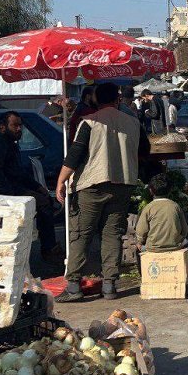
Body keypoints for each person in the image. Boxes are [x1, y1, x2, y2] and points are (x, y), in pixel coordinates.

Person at [55, 83, 145, 302]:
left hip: (91, 185)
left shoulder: (90, 122)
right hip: (123, 184)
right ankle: (109, 286)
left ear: (95, 99)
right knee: (112, 234)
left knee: (81, 234)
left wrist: (60, 182)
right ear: (117, 99)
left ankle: (74, 286)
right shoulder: (133, 122)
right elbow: (145, 151)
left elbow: (75, 155)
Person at [0, 111, 60, 262]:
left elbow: (19, 173)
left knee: (45, 198)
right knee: (43, 203)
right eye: (15, 125)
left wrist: (37, 186)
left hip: (13, 187)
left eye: (20, 125)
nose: (19, 129)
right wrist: (10, 194)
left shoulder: (11, 145)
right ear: (3, 127)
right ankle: (48, 248)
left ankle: (50, 246)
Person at [135, 173, 188, 253]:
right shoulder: (175, 206)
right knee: (186, 241)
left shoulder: (148, 208)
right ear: (170, 190)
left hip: (153, 248)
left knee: (139, 246)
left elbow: (141, 231)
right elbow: (184, 230)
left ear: (150, 190)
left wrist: (139, 242)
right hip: (175, 246)